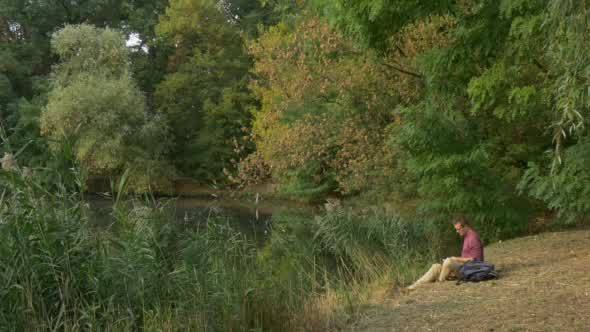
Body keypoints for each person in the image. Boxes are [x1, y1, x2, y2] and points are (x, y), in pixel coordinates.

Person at [407, 216, 483, 290]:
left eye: (458, 229)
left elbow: (475, 260)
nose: (457, 231)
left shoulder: (473, 238)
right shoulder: (467, 236)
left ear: (465, 226)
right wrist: (455, 261)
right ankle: (413, 286)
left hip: (471, 269)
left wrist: (454, 259)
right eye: (456, 229)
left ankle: (439, 282)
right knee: (436, 266)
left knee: (449, 261)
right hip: (463, 267)